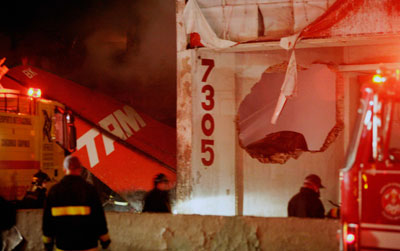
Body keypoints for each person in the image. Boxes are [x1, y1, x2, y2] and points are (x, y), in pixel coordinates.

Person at [42, 155, 111, 251]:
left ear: (64, 169)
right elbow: (98, 218)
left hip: (63, 247)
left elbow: (47, 221)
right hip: (88, 247)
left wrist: (47, 244)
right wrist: (105, 240)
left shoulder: (54, 191)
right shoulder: (89, 190)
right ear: (80, 169)